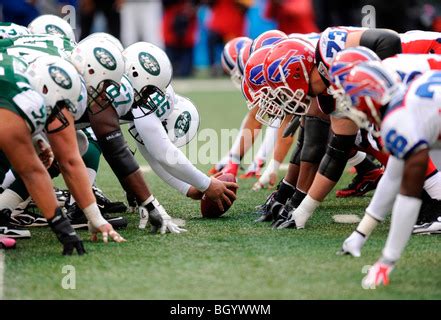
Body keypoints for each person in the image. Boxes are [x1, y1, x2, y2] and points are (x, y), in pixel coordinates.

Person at [337, 62, 441, 286]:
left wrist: (387, 261)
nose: (353, 110)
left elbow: (408, 195)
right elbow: (392, 177)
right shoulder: (408, 96)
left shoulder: (398, 120)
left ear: (369, 98)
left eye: (355, 102)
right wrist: (360, 234)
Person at [0, 54, 85, 255]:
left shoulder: (20, 75)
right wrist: (63, 229)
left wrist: (36, 139)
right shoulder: (27, 102)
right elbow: (31, 171)